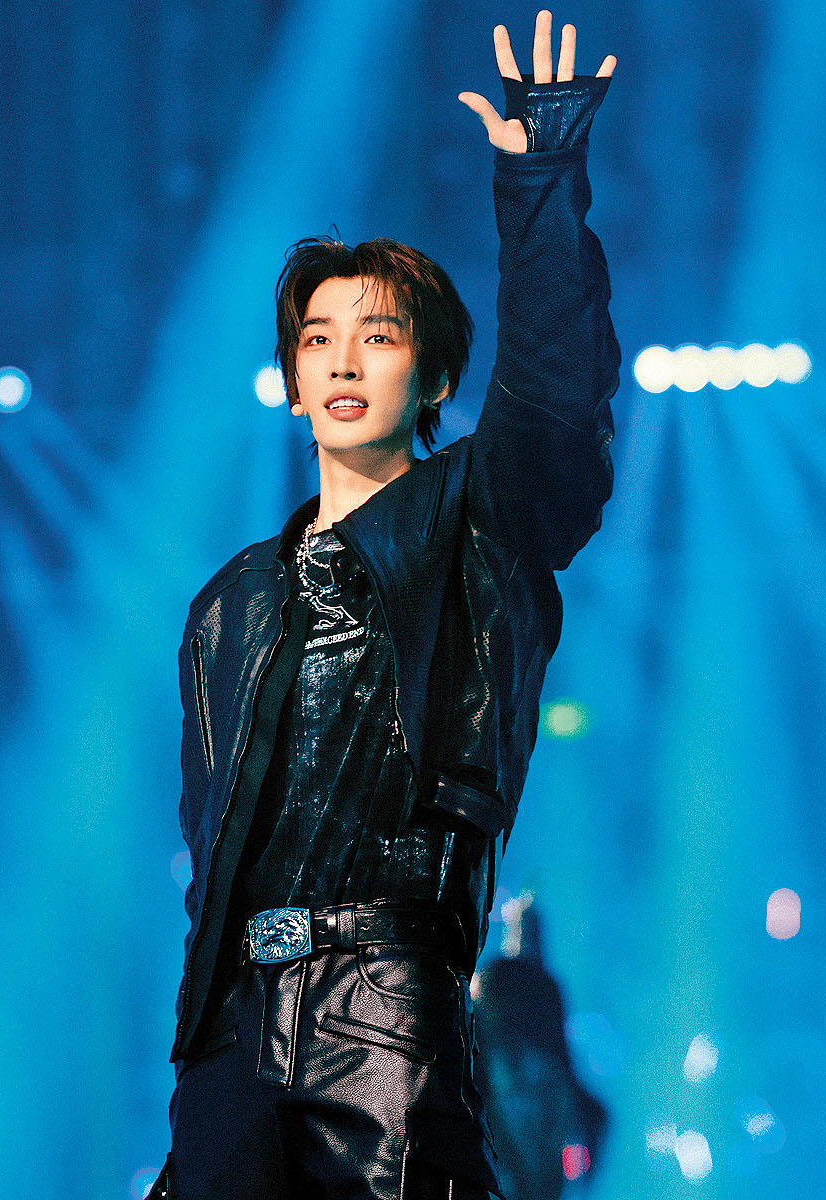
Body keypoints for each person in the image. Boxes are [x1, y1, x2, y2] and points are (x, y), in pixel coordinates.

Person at [151, 12, 619, 1200]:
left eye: (378, 335)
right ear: (291, 378)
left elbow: (555, 395)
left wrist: (541, 176)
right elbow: (213, 849)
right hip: (231, 1027)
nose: (344, 360)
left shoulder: (479, 527)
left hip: (384, 1006)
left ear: (436, 375)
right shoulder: (230, 604)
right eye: (319, 339)